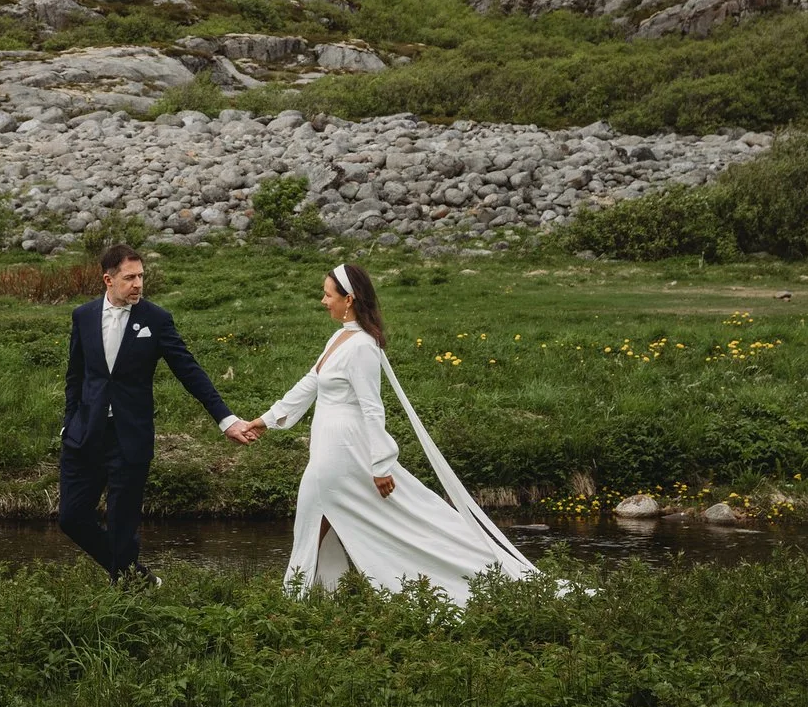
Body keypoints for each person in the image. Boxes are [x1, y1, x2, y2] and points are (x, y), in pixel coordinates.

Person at [235, 261, 541, 605]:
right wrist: (265, 420)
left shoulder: (362, 346)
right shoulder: (340, 337)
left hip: (345, 448)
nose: (323, 301)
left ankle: (299, 598)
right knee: (316, 515)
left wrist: (381, 464)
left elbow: (372, 407)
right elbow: (310, 384)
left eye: (327, 294)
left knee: (324, 512)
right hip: (328, 444)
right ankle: (319, 596)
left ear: (349, 299)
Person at [59, 241, 255, 582]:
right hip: (85, 434)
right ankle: (135, 576)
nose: (138, 284)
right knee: (71, 518)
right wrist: (69, 423)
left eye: (141, 277)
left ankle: (129, 595)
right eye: (129, 278)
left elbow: (189, 371)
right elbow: (75, 377)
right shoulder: (84, 316)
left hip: (129, 437)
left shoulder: (156, 319)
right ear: (108, 280)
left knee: (122, 523)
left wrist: (226, 419)